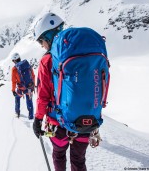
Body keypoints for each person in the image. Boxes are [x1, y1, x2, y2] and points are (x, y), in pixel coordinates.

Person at [32, 13, 100, 171]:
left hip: (58, 126)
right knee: (78, 160)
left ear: (47, 37)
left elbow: (42, 95)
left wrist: (37, 119)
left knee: (59, 155)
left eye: (41, 41)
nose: (42, 46)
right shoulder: (83, 53)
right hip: (85, 122)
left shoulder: (47, 60)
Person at [11, 52, 35, 119]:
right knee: (29, 101)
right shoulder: (27, 65)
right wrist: (33, 85)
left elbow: (13, 81)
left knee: (17, 97)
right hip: (29, 87)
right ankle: (31, 116)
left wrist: (13, 90)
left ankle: (17, 112)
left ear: (14, 60)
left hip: (21, 89)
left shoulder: (14, 69)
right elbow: (33, 75)